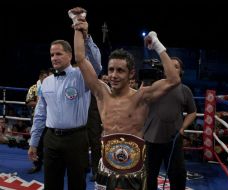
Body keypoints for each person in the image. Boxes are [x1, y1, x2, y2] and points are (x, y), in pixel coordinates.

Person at [72, 7, 180, 189]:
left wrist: (156, 44)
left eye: (120, 70)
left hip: (134, 167)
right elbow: (81, 59)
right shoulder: (101, 92)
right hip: (106, 165)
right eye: (111, 69)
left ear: (131, 74)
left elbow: (174, 79)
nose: (113, 75)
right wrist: (78, 25)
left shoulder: (142, 97)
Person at [28, 7, 102, 190]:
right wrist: (33, 142)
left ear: (70, 55)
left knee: (77, 184)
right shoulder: (45, 83)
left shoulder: (80, 76)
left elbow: (96, 66)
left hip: (77, 139)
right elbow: (39, 115)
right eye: (52, 54)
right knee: (52, 184)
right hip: (51, 139)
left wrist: (86, 37)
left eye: (59, 53)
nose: (54, 58)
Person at [143, 57, 197, 190]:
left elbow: (192, 112)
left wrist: (183, 127)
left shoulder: (185, 90)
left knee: (177, 175)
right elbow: (140, 103)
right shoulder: (153, 87)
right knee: (148, 176)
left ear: (181, 72)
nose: (172, 69)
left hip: (173, 139)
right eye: (169, 66)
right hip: (151, 138)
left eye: (176, 66)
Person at [26, 69, 48, 174]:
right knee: (37, 143)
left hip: (51, 120)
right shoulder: (33, 88)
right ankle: (37, 165)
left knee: (49, 143)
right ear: (40, 77)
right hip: (37, 117)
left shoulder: (52, 87)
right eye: (43, 76)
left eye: (46, 76)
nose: (45, 78)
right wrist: (40, 103)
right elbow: (29, 102)